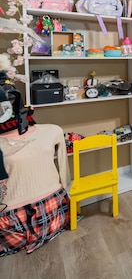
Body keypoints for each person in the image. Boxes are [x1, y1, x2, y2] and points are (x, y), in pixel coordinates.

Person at [0, 67, 70, 256]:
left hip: (51, 200)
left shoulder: (52, 131)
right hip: (13, 211)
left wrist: (67, 187)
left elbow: (64, 170)